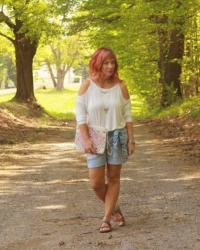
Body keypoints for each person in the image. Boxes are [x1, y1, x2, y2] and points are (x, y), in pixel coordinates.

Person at [76, 47, 135, 233]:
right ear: (97, 64)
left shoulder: (121, 86)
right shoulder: (87, 86)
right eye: (106, 63)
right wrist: (86, 140)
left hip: (117, 136)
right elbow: (81, 117)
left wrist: (131, 139)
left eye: (112, 63)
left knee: (114, 178)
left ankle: (106, 219)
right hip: (94, 136)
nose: (110, 66)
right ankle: (115, 207)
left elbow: (128, 115)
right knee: (96, 183)